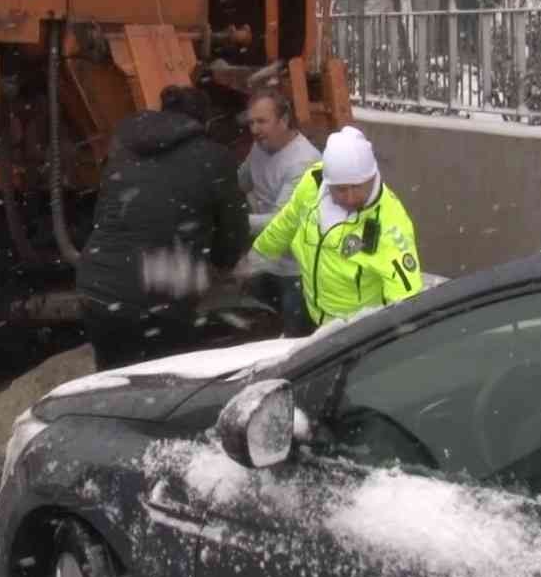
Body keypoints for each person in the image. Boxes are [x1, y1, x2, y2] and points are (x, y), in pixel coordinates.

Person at [76, 84, 250, 371]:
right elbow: (232, 236)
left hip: (97, 288)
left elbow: (103, 216)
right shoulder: (214, 158)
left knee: (111, 382)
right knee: (162, 386)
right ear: (204, 121)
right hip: (158, 293)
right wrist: (220, 262)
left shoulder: (125, 147)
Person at [251, 125, 423, 326]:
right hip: (311, 309)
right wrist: (256, 258)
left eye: (357, 187)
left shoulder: (390, 226)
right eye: (340, 190)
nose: (349, 198)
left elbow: (407, 299)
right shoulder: (313, 184)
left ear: (372, 177)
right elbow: (286, 222)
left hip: (356, 332)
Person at [236, 88, 318, 337]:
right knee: (258, 333)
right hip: (266, 261)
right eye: (251, 122)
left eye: (262, 121)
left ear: (283, 120)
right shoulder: (259, 147)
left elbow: (281, 221)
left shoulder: (303, 162)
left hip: (296, 269)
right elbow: (240, 181)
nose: (254, 129)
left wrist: (233, 222)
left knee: (295, 343)